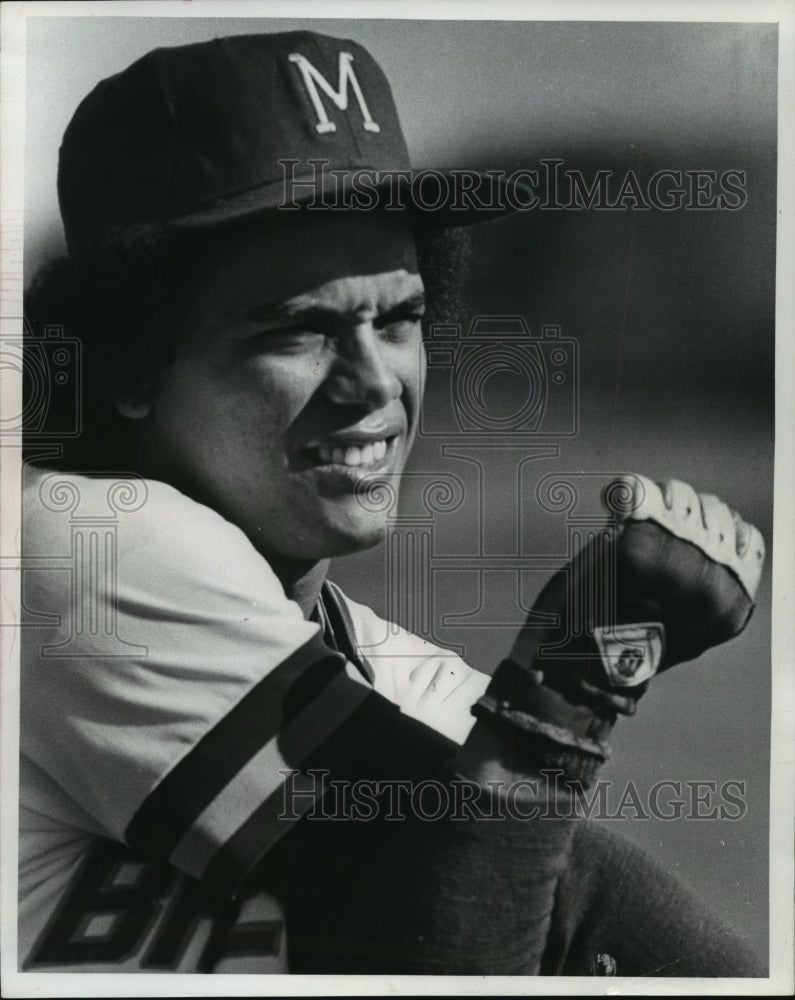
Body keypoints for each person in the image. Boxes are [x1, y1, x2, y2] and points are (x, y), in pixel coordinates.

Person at [19, 30, 766, 976]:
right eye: (298, 330)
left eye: (400, 318)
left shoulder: (414, 682)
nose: (374, 383)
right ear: (126, 361)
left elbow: (555, 906)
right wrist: (567, 686)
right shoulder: (66, 545)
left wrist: (574, 674)